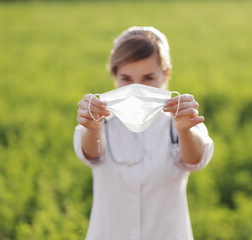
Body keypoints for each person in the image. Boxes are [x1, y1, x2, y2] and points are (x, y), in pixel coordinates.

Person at [74, 26, 214, 240]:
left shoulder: (180, 119)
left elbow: (194, 159)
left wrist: (184, 130)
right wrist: (93, 128)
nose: (137, 89)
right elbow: (91, 154)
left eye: (148, 78)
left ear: (166, 74)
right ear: (114, 76)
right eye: (126, 79)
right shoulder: (101, 119)